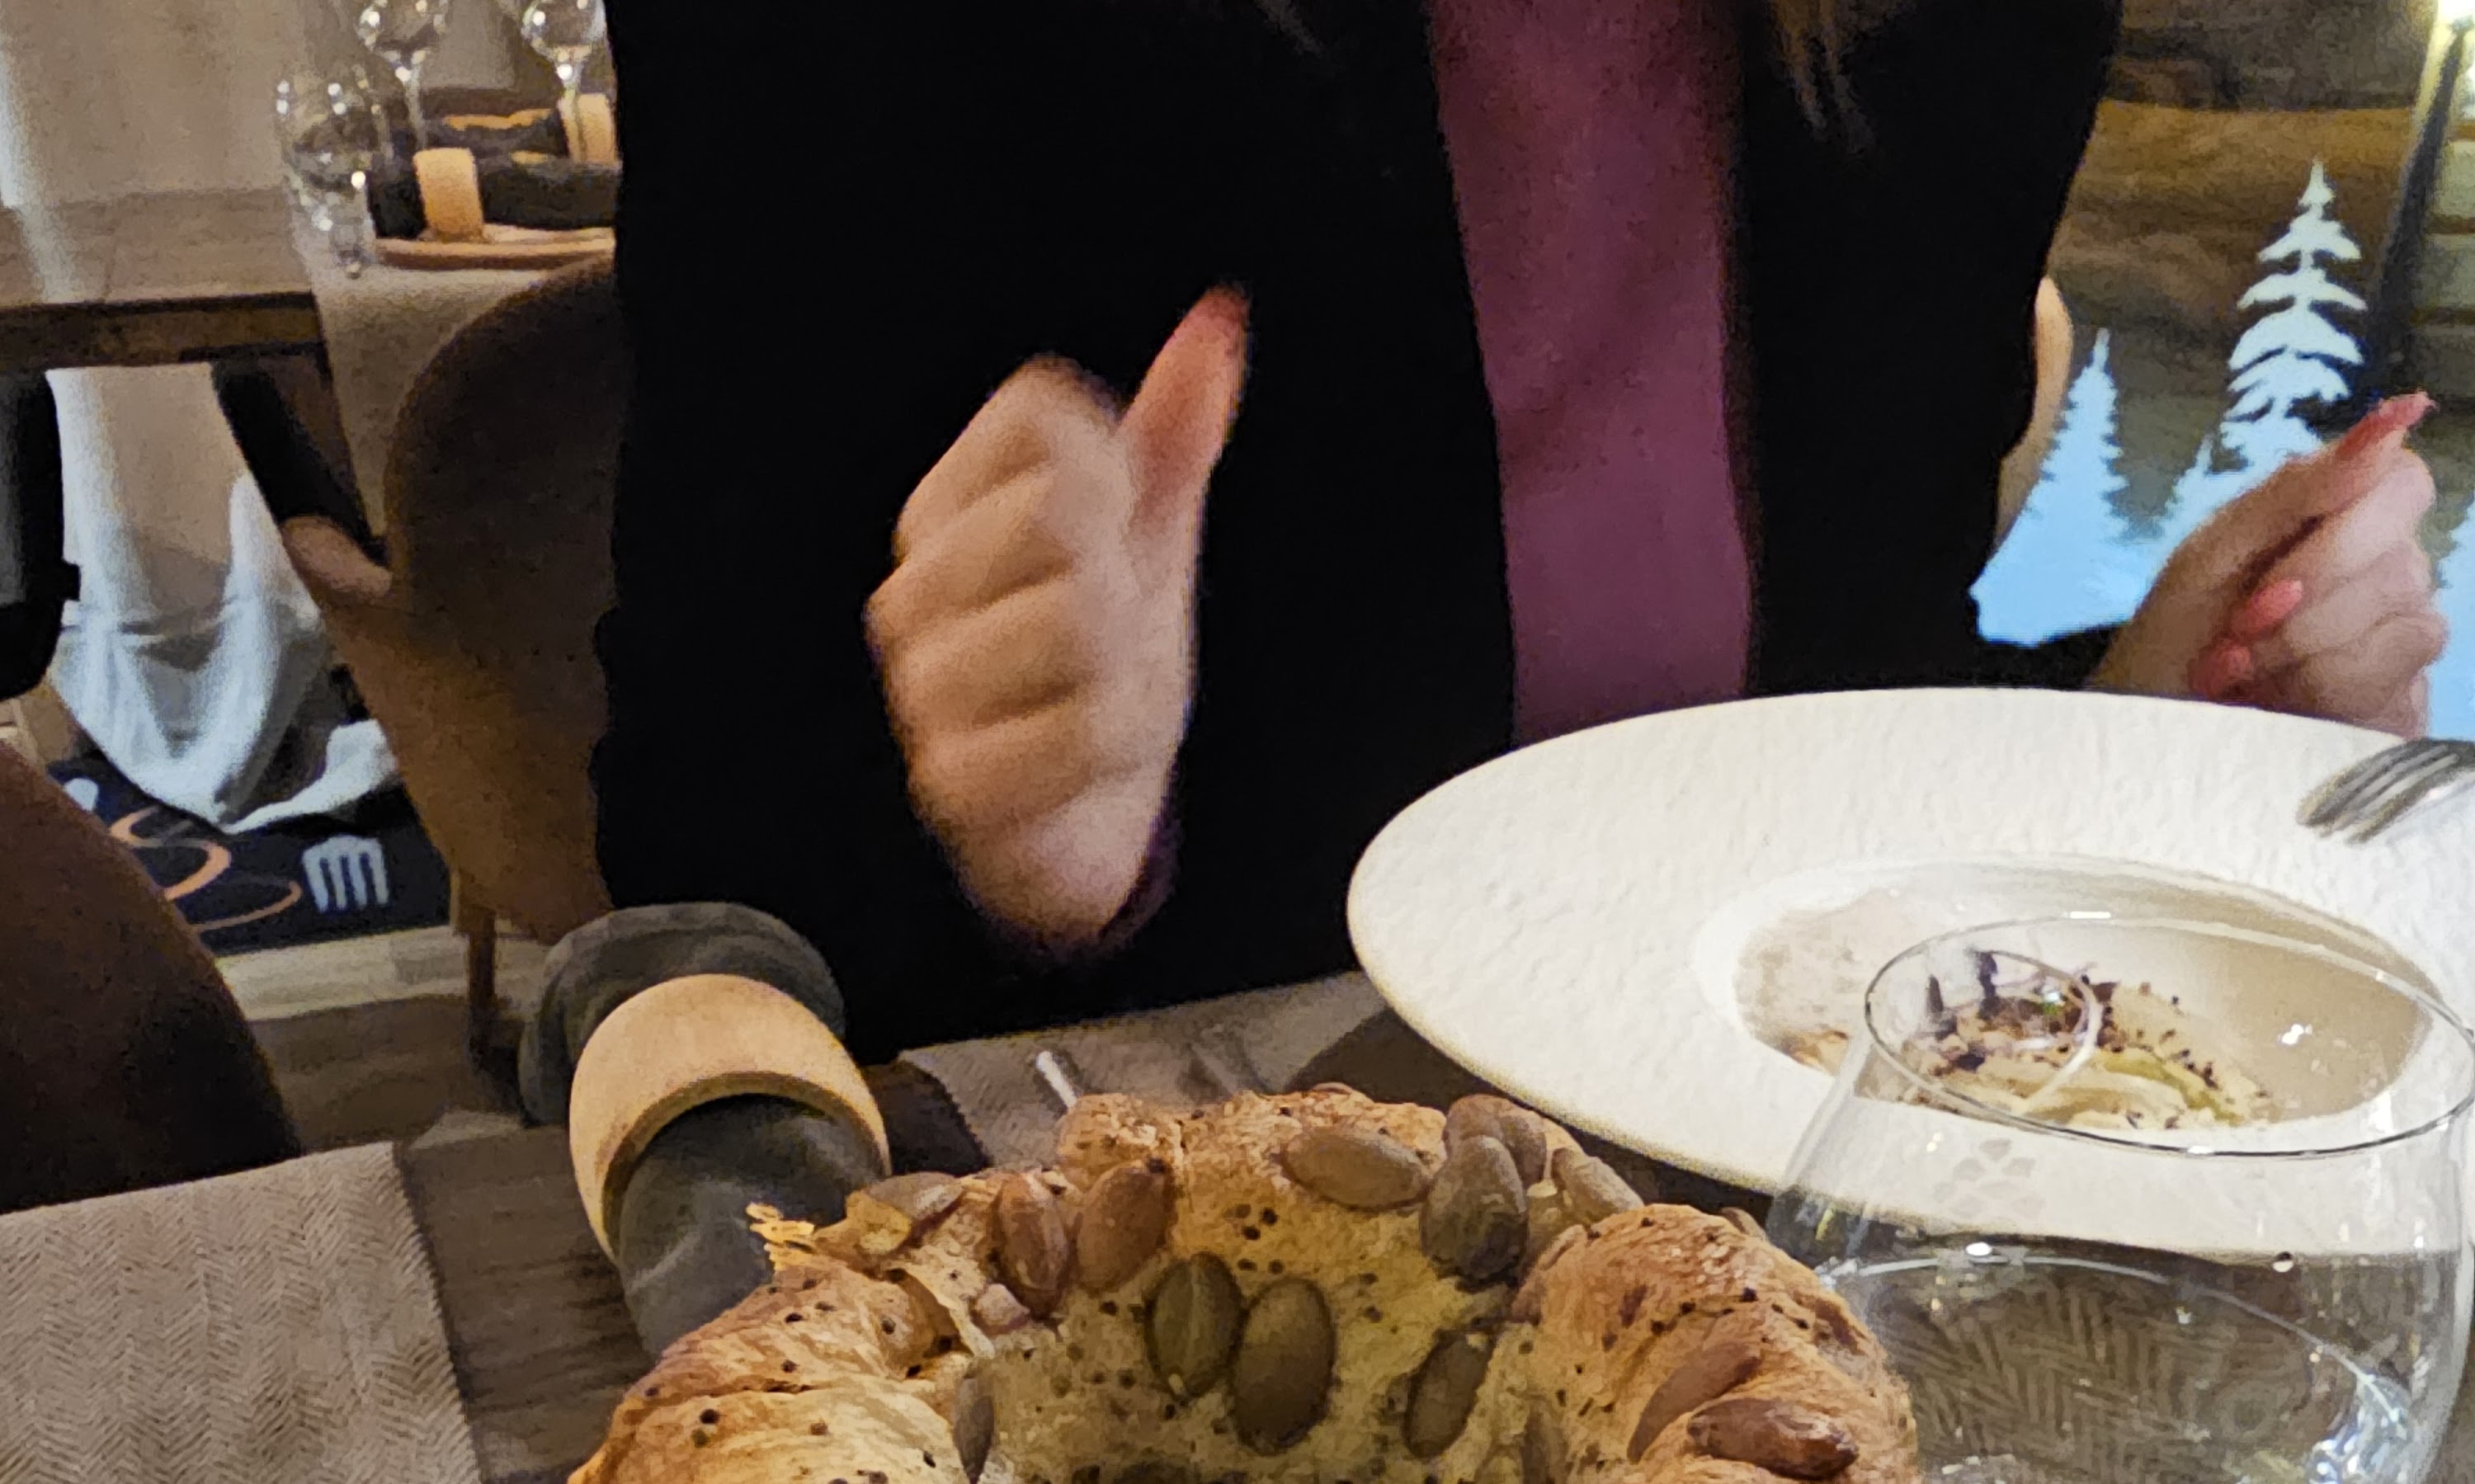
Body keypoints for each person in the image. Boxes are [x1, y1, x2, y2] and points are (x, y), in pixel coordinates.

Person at [594, 0, 2441, 1062]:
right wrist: (1014, 853)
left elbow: (1819, 694)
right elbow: (693, 853)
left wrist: (2132, 712)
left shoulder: (1947, 33)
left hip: (1802, 1239)